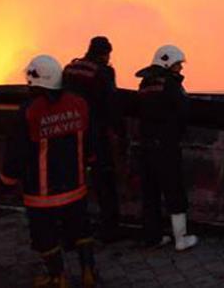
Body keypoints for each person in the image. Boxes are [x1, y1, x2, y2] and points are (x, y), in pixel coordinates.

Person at [0, 55, 97, 288]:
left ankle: (58, 277)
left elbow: (17, 149)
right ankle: (88, 272)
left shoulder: (29, 111)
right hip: (76, 186)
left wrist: (7, 179)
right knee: (81, 227)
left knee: (44, 235)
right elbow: (90, 141)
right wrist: (91, 161)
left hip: (41, 193)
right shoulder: (78, 103)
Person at [135, 44, 199, 251]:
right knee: (174, 191)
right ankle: (181, 238)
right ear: (168, 64)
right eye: (178, 64)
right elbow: (183, 111)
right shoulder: (171, 85)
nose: (180, 68)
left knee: (150, 193)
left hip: (145, 146)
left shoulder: (145, 83)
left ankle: (152, 237)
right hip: (166, 147)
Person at [62, 36, 122, 242]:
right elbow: (112, 105)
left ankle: (71, 228)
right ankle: (110, 229)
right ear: (105, 53)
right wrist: (119, 133)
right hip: (95, 136)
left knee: (70, 182)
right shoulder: (103, 72)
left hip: (69, 133)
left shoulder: (70, 68)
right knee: (104, 182)